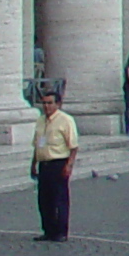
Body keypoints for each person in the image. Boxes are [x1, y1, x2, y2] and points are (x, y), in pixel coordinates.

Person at [28, 89, 76, 243]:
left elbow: (73, 146)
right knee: (44, 199)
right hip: (44, 163)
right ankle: (48, 230)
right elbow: (37, 144)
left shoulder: (65, 120)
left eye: (50, 103)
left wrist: (69, 165)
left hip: (58, 162)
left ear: (58, 104)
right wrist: (33, 163)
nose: (46, 106)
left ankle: (61, 231)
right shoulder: (40, 120)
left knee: (59, 198)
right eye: (44, 103)